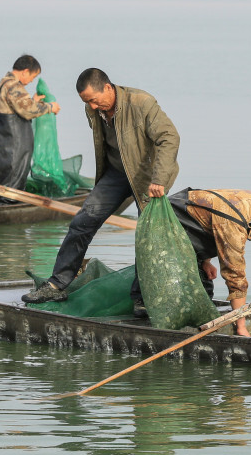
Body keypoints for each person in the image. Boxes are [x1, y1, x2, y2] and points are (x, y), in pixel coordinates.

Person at [23, 67, 180, 304]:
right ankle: (57, 284)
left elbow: (169, 137)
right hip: (116, 174)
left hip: (148, 178)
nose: (93, 107)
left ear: (108, 88)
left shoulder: (141, 102)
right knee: (82, 222)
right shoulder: (92, 108)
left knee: (148, 237)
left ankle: (142, 297)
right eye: (87, 103)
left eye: (94, 101)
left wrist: (159, 179)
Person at [140, 188, 251, 336]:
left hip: (191, 225)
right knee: (162, 282)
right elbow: (235, 275)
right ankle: (141, 306)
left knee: (204, 289)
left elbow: (212, 222)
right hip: (164, 221)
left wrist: (206, 261)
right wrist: (241, 327)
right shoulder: (234, 221)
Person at [0, 55, 60, 192]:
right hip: (13, 146)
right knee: (13, 183)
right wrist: (50, 107)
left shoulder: (4, 82)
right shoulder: (14, 86)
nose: (31, 80)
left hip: (1, 145)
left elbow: (18, 108)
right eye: (32, 77)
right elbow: (28, 111)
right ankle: (9, 207)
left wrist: (33, 101)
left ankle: (4, 203)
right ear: (25, 71)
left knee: (5, 183)